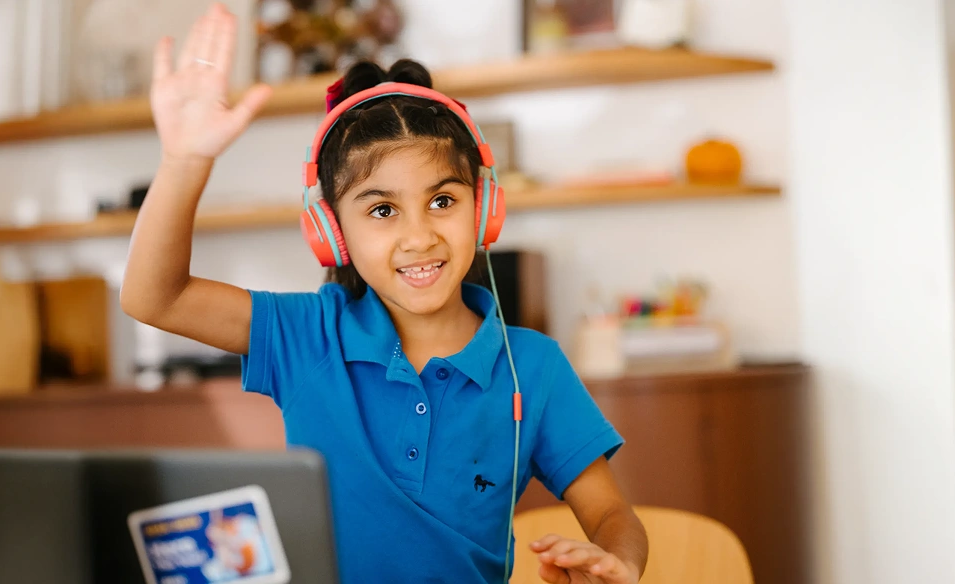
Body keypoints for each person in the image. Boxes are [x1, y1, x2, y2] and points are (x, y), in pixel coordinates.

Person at [121, 3, 649, 583]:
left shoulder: (532, 368)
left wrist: (614, 559)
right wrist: (183, 161)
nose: (419, 236)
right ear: (331, 232)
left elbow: (611, 513)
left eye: (443, 201)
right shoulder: (308, 335)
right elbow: (155, 298)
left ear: (485, 208)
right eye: (382, 210)